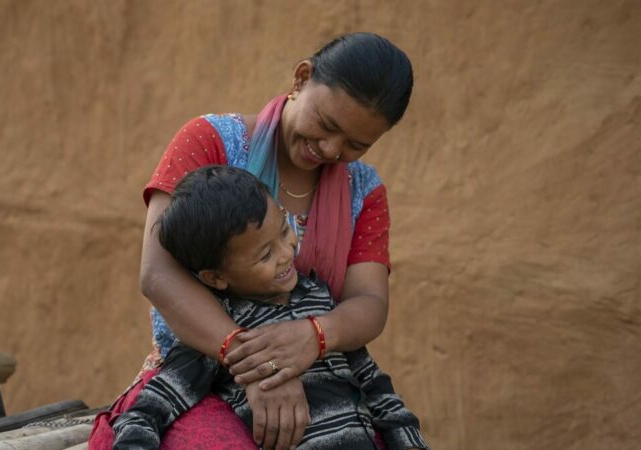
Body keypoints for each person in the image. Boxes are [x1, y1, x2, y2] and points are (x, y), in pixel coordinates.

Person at [90, 32, 414, 450]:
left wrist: (316, 335)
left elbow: (369, 303)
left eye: (356, 145)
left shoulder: (364, 190)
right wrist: (256, 365)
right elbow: (158, 273)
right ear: (301, 78)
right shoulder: (210, 142)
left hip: (322, 378)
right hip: (198, 377)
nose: (331, 148)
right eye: (328, 125)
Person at [113, 166, 428, 450]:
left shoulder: (319, 301)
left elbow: (374, 384)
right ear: (216, 277)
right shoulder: (224, 338)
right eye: (264, 256)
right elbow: (150, 409)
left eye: (284, 230)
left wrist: (409, 441)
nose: (286, 253)